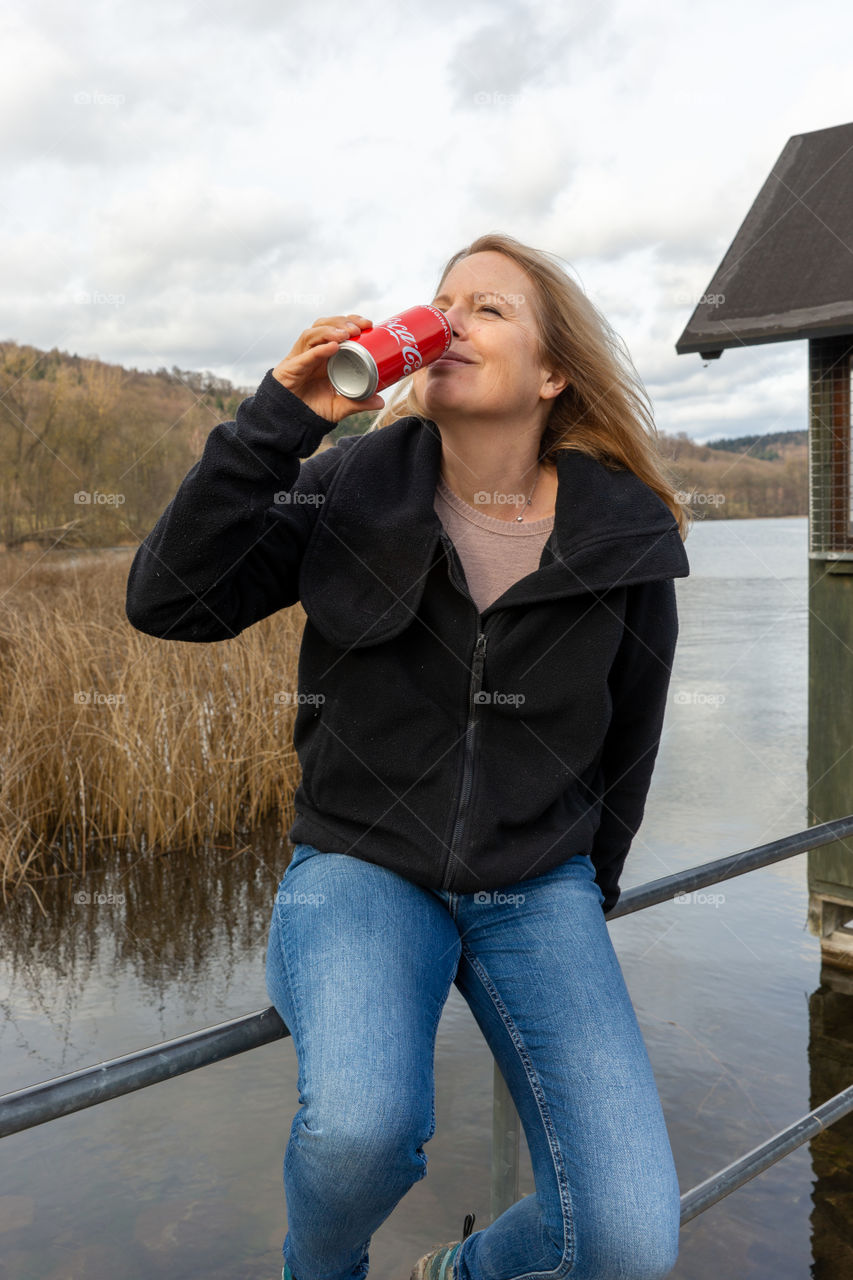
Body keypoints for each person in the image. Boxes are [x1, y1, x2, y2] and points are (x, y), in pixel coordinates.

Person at [125, 232, 691, 1280]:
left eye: (488, 308)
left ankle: (452, 1272)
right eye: (441, 303)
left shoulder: (625, 534)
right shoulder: (348, 487)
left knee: (625, 1238)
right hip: (361, 862)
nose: (449, 321)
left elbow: (631, 736)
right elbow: (168, 602)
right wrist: (277, 420)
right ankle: (322, 1270)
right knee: (360, 1130)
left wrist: (583, 886)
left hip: (538, 886)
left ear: (553, 371)